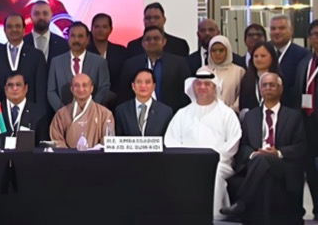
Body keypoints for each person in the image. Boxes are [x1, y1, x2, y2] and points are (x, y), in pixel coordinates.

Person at [222, 73, 306, 221]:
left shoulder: (293, 116)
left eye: (272, 85)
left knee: (264, 159)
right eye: (264, 85)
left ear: (280, 89)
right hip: (255, 163)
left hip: (283, 164)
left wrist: (278, 152)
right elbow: (243, 147)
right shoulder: (250, 116)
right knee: (262, 160)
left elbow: (300, 147)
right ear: (260, 89)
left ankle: (241, 203)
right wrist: (254, 154)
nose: (268, 88)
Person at [164, 69, 241, 220]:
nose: (202, 87)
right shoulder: (182, 113)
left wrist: (210, 159)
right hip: (185, 162)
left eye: (207, 84)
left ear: (214, 87)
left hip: (219, 162)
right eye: (198, 84)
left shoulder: (227, 114)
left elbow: (233, 141)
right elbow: (171, 140)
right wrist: (187, 159)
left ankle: (215, 217)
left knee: (215, 173)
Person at [0, 14, 48, 117]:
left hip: (30, 116)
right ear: (4, 30)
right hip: (1, 115)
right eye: (10, 26)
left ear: (24, 29)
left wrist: (40, 117)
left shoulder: (36, 55)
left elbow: (41, 91)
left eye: (17, 26)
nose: (14, 29)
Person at [117, 26, 190, 112]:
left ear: (164, 41)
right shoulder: (130, 65)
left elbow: (185, 94)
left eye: (156, 39)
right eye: (148, 39)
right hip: (139, 114)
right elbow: (124, 95)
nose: (152, 42)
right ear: (143, 43)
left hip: (171, 115)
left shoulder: (179, 64)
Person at [47, 22, 110, 112]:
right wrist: (64, 112)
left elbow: (104, 88)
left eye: (80, 36)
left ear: (87, 39)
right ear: (68, 38)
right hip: (63, 116)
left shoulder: (99, 62)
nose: (76, 40)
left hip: (92, 115)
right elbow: (51, 91)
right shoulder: (56, 62)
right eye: (73, 36)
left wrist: (89, 110)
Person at [292, 19, 318, 219]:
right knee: (310, 169)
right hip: (307, 123)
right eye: (314, 34)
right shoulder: (305, 62)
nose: (317, 38)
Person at [49, 73, 114, 149]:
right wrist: (68, 154)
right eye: (76, 85)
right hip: (68, 156)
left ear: (91, 88)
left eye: (84, 85)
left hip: (96, 155)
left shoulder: (105, 114)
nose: (81, 89)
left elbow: (108, 142)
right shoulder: (61, 114)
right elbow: (57, 140)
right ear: (71, 89)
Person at [0, 72, 47, 148]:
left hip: (27, 155)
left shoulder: (38, 112)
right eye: (10, 85)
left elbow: (41, 146)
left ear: (26, 88)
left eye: (18, 85)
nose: (14, 88)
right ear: (5, 89)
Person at [113, 69, 173, 137]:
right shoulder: (121, 111)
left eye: (147, 82)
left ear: (153, 86)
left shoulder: (166, 112)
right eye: (139, 82)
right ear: (133, 86)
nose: (143, 86)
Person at [86, 13, 128, 100]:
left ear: (110, 29)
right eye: (97, 27)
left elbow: (124, 78)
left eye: (104, 27)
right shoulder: (84, 52)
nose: (100, 30)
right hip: (88, 99)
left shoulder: (121, 51)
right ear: (91, 29)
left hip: (116, 100)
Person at [126, 2, 190, 58]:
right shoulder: (133, 47)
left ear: (164, 20)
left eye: (156, 17)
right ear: (143, 21)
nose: (152, 21)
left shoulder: (179, 45)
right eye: (148, 18)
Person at [203, 35, 245, 111]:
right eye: (213, 50)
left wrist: (228, 112)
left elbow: (241, 97)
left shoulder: (238, 71)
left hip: (231, 114)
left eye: (221, 50)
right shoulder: (203, 71)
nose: (217, 53)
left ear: (228, 51)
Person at [270, 15, 310, 92]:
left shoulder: (303, 55)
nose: (276, 32)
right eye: (273, 28)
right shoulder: (264, 52)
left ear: (291, 30)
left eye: (282, 28)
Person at [239, 42, 279, 113]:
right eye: (256, 56)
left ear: (272, 57)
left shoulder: (279, 78)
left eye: (263, 56)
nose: (259, 59)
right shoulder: (246, 79)